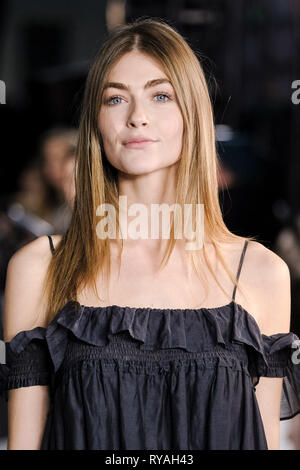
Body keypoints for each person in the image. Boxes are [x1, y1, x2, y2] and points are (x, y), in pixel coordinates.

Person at [1, 18, 300, 451]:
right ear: (96, 121)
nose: (137, 117)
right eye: (115, 98)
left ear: (191, 113)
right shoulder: (40, 267)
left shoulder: (258, 273)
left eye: (161, 95)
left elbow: (264, 440)